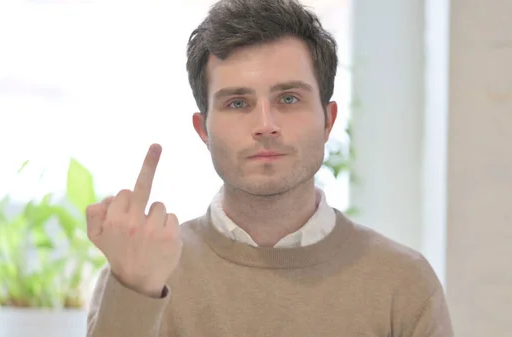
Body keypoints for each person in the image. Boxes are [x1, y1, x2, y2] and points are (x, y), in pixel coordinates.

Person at [85, 0, 454, 336]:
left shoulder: (403, 283)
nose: (265, 124)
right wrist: (136, 294)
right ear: (204, 130)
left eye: (289, 98)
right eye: (237, 103)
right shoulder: (143, 272)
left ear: (328, 121)